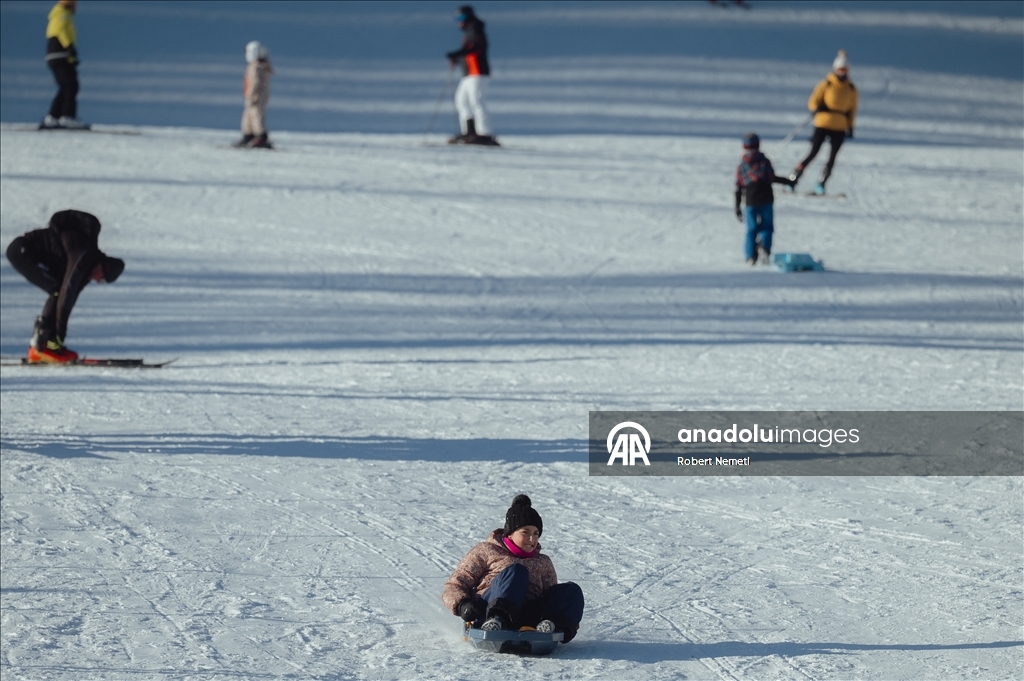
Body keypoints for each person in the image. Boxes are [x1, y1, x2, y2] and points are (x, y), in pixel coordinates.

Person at [442, 495, 584, 642]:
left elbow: (551, 595)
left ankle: (552, 625)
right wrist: (462, 604)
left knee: (571, 590)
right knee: (517, 572)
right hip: (488, 611)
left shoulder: (543, 561)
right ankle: (497, 620)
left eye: (536, 534)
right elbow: (455, 584)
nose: (532, 539)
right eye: (525, 532)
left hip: (528, 619)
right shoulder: (486, 550)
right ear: (510, 533)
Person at [5, 210, 124, 363]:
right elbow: (66, 293)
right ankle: (39, 348)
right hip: (22, 251)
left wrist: (57, 339)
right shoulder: (83, 254)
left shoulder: (88, 270)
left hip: (29, 252)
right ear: (103, 266)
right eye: (101, 278)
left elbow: (70, 299)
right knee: (57, 290)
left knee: (57, 290)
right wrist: (60, 335)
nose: (97, 280)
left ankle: (45, 346)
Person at [789, 50, 858, 195]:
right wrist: (817, 107)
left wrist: (850, 126)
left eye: (844, 69)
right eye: (840, 69)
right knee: (813, 152)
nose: (842, 72)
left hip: (840, 126)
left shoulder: (851, 89)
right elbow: (813, 100)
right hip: (823, 123)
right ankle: (794, 178)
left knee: (832, 157)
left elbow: (852, 109)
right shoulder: (826, 84)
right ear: (835, 69)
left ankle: (822, 182)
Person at [735, 133, 795, 265]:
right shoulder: (764, 161)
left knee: (751, 229)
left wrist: (737, 206)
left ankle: (750, 256)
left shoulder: (742, 165)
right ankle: (765, 249)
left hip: (751, 200)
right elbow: (772, 177)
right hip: (766, 198)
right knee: (767, 226)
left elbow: (738, 187)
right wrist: (788, 181)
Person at [445, 5, 498, 146]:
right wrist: (457, 59)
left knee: (477, 101)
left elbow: (477, 48)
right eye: (457, 18)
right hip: (468, 75)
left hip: (478, 73)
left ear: (468, 16)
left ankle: (485, 134)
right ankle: (470, 132)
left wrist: (458, 54)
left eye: (461, 17)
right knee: (462, 101)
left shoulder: (476, 29)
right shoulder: (469, 33)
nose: (459, 21)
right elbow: (467, 52)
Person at [42, 0, 86, 129]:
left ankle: (53, 117)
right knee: (71, 85)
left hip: (57, 56)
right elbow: (62, 32)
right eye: (74, 3)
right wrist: (69, 48)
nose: (75, 7)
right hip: (60, 55)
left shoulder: (58, 14)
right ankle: (67, 117)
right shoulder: (63, 15)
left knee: (66, 86)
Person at [236, 40, 274, 149]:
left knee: (256, 117)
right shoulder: (258, 66)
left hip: (256, 97)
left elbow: (255, 83)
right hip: (255, 96)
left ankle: (260, 137)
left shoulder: (256, 67)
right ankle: (248, 136)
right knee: (248, 117)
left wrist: (252, 96)